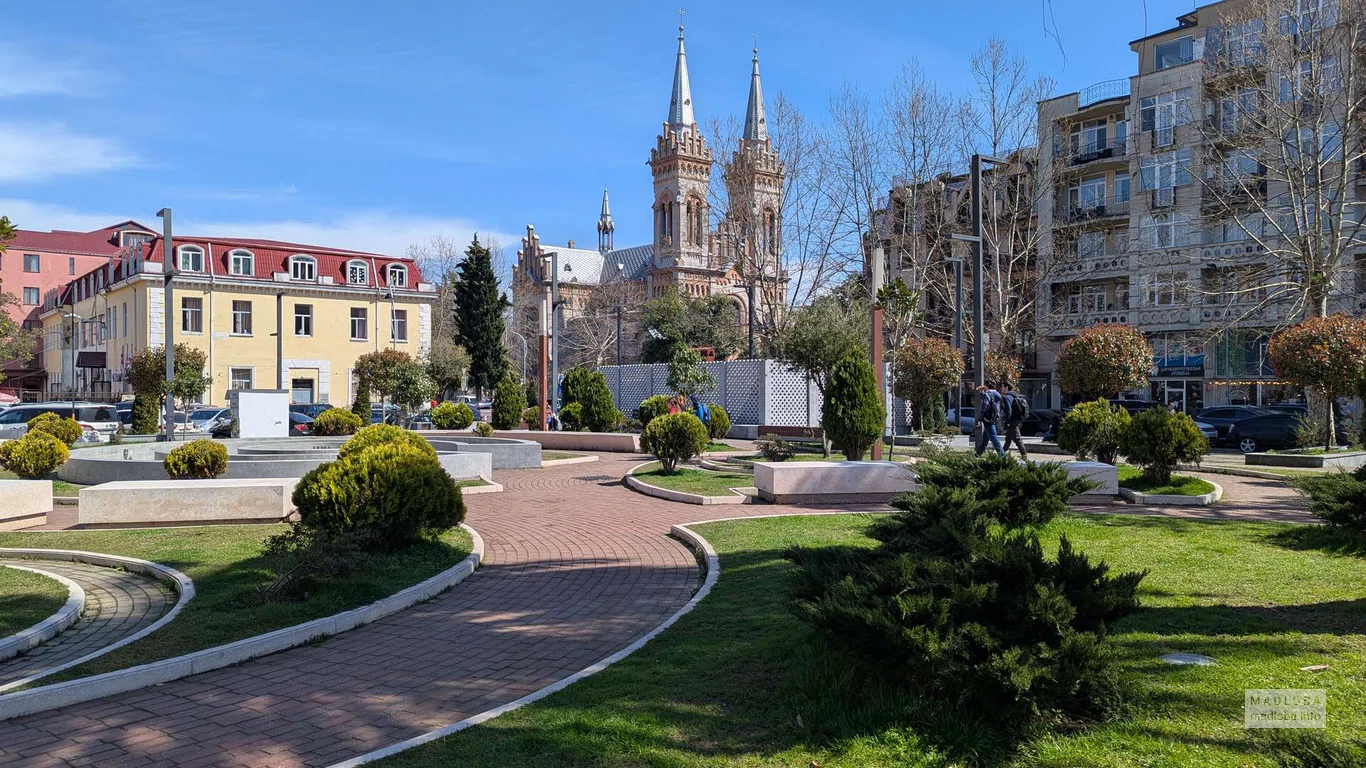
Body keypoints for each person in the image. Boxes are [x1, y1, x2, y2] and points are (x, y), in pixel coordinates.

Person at [974, 382, 1005, 457]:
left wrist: (980, 419)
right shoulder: (997, 394)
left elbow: (984, 407)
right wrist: (982, 393)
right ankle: (978, 454)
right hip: (995, 418)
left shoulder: (987, 394)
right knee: (985, 438)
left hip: (988, 419)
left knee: (993, 438)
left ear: (986, 386)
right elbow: (990, 401)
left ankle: (1002, 456)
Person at [1001, 382, 1029, 458]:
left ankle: (1024, 454)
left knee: (1017, 438)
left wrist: (1007, 422)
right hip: (1018, 419)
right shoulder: (1015, 395)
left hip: (1012, 420)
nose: (1001, 388)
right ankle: (1002, 453)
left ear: (1007, 387)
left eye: (1003, 387)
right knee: (1008, 438)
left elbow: (1008, 411)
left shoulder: (1007, 397)